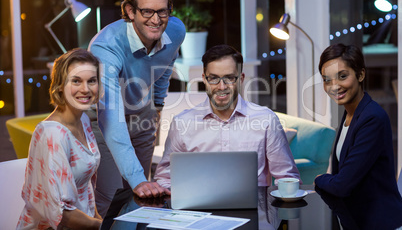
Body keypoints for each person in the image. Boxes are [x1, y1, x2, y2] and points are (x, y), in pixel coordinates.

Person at [88, 0, 184, 215]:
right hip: (103, 121)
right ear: (130, 11)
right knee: (111, 199)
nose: (157, 20)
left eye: (163, 11)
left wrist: (158, 105)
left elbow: (165, 65)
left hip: (142, 114)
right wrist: (137, 179)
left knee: (143, 200)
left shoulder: (176, 30)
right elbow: (111, 116)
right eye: (147, 12)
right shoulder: (105, 47)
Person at [154, 44, 300, 189]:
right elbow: (164, 178)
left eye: (229, 78)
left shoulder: (267, 120)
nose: (222, 87)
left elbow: (287, 177)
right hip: (197, 210)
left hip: (255, 209)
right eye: (214, 78)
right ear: (204, 79)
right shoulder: (182, 123)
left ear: (241, 78)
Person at [314, 43, 402, 229]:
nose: (333, 86)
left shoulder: (372, 118)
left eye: (342, 76)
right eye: (326, 80)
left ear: (361, 75)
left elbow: (342, 184)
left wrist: (319, 178)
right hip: (356, 221)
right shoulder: (351, 114)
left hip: (380, 224)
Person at [16, 49, 102, 229]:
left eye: (91, 81)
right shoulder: (53, 134)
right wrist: (103, 226)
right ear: (60, 85)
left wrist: (100, 219)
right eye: (76, 81)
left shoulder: (84, 120)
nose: (85, 89)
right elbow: (61, 215)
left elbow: (85, 187)